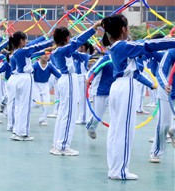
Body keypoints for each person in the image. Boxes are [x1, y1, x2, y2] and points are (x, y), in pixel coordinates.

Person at [101, 15, 175, 180]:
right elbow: (149, 44)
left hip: (119, 86)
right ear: (123, 29)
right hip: (125, 87)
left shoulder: (114, 46)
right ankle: (120, 171)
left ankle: (115, 169)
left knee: (116, 130)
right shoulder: (123, 46)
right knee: (124, 131)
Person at [49, 25, 97, 155]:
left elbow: (80, 55)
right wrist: (94, 27)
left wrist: (91, 58)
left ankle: (57, 144)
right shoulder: (62, 50)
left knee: (63, 113)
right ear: (66, 38)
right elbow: (78, 41)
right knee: (69, 114)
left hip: (67, 80)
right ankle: (63, 146)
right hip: (68, 80)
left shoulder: (61, 50)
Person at [31, 55, 61, 128]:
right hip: (36, 85)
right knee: (37, 103)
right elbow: (30, 75)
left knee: (47, 103)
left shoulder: (50, 66)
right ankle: (29, 103)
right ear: (39, 56)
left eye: (47, 54)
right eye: (44, 54)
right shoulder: (35, 65)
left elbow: (58, 75)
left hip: (45, 85)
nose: (46, 56)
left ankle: (43, 119)